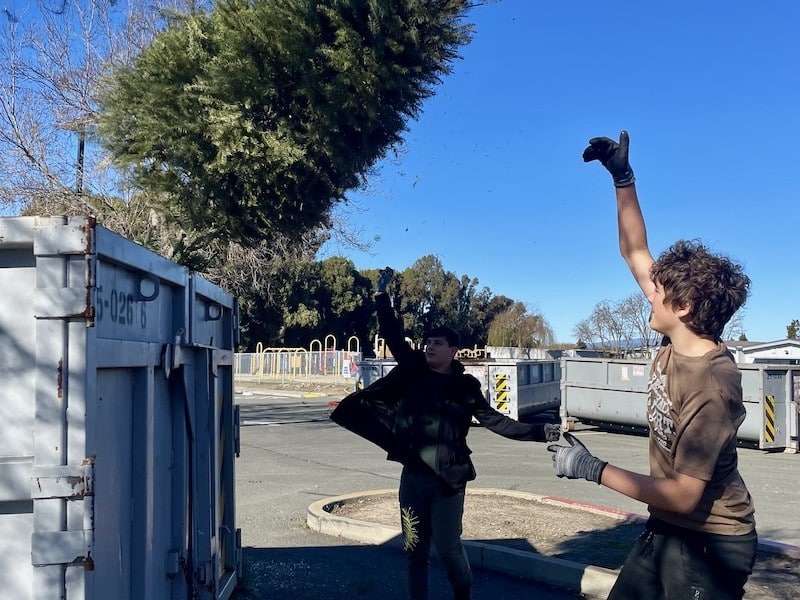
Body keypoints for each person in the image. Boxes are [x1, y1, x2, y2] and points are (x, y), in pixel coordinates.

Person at [547, 131, 757, 599]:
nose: (648, 286)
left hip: (714, 542)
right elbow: (634, 249)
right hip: (668, 529)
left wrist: (590, 467)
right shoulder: (676, 333)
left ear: (682, 307)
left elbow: (685, 493)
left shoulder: (711, 383)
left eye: (658, 289)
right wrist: (623, 178)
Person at [331, 267, 560, 600]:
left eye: (437, 344)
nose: (429, 348)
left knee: (448, 548)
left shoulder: (465, 386)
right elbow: (394, 335)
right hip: (413, 478)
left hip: (449, 481)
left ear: (454, 350)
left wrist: (541, 432)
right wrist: (382, 296)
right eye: (428, 343)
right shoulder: (413, 371)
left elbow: (497, 421)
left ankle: (462, 589)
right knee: (414, 548)